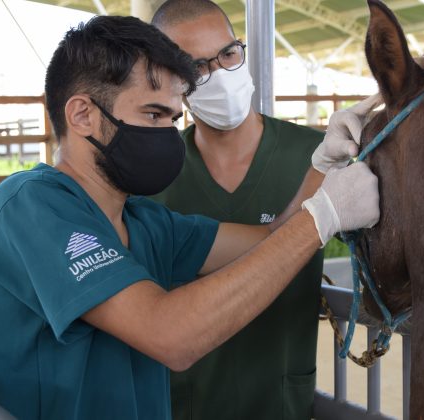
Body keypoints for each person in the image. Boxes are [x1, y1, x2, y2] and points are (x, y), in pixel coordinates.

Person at [0, 15, 378, 420]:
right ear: (82, 115)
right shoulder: (28, 206)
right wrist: (321, 217)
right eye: (152, 115)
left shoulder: (146, 223)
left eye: (172, 118)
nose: (167, 134)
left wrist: (325, 163)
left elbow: (273, 237)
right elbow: (172, 336)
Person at [150, 1, 322, 418]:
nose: (221, 74)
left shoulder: (316, 155)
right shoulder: (153, 175)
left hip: (282, 401)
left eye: (228, 54)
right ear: (170, 81)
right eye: (197, 67)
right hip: (186, 405)